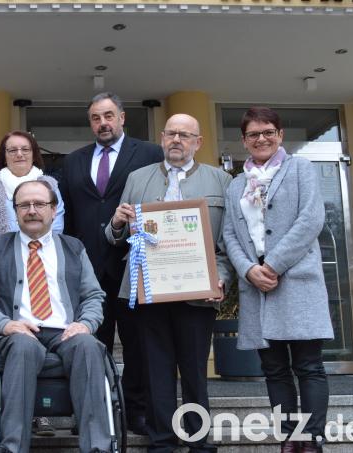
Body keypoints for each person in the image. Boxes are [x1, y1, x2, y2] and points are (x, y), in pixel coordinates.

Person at [106, 114, 232, 452]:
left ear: (198, 142)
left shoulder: (220, 180)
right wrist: (117, 223)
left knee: (194, 373)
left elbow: (229, 242)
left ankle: (197, 439)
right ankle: (161, 440)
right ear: (162, 138)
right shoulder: (137, 178)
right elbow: (118, 236)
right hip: (150, 291)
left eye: (185, 135)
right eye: (172, 134)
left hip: (199, 293)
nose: (177, 140)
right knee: (155, 371)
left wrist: (222, 276)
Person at [0, 179, 113, 453]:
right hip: (16, 333)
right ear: (15, 211)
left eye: (39, 204)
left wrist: (85, 324)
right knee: (23, 346)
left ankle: (97, 448)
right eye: (24, 205)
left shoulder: (74, 248)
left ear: (54, 209)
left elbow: (94, 296)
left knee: (88, 346)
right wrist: (6, 324)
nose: (32, 210)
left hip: (66, 332)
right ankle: (12, 448)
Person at [223, 107, 332, 453]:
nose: (262, 139)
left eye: (268, 131)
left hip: (296, 281)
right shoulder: (236, 184)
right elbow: (230, 234)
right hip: (257, 288)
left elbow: (311, 219)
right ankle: (290, 436)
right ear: (244, 141)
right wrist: (248, 269)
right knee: (274, 370)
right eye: (254, 134)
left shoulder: (300, 169)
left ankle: (311, 438)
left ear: (280, 135)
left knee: (309, 366)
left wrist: (272, 264)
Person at [59, 92, 163, 434]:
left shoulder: (150, 154)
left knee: (138, 345)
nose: (102, 123)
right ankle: (90, 411)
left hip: (135, 265)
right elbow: (68, 221)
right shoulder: (73, 161)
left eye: (108, 116)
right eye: (95, 118)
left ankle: (138, 413)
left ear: (121, 118)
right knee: (87, 345)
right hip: (87, 271)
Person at [0, 130, 65, 248]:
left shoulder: (49, 185)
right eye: (12, 150)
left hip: (41, 254)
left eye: (25, 149)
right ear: (4, 157)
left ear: (34, 155)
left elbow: (56, 222)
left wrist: (37, 250)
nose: (19, 154)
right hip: (1, 257)